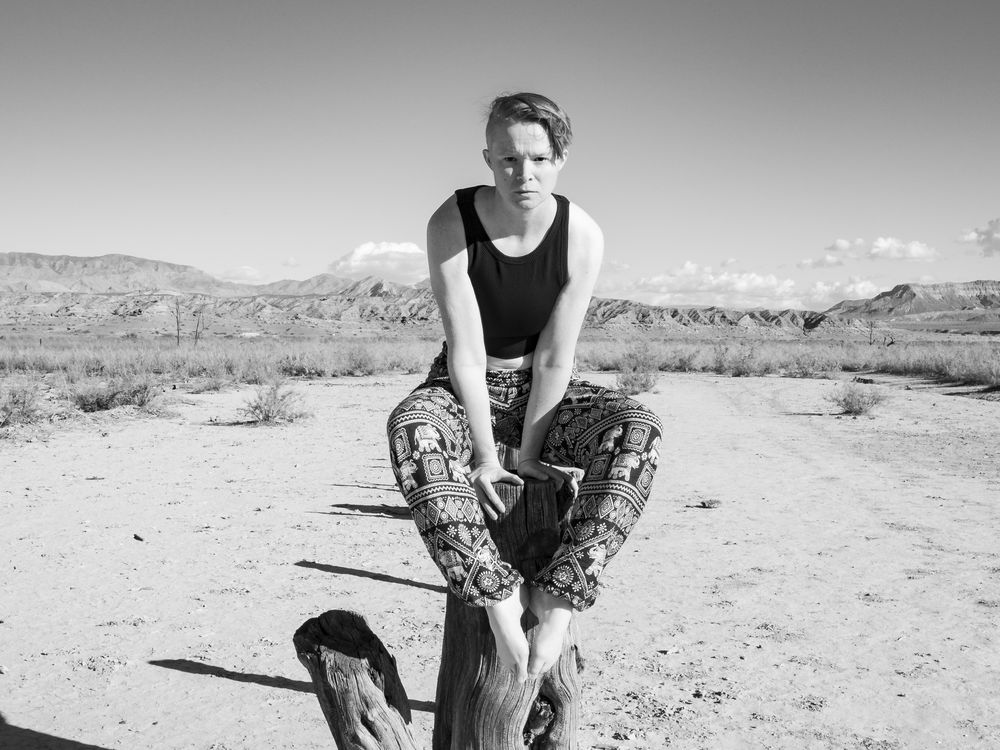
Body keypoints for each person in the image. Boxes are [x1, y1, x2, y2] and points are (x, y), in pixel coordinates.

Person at [386, 92, 662, 683]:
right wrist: (487, 458)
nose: (523, 174)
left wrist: (531, 454)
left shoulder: (581, 234)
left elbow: (556, 358)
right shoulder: (453, 222)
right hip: (463, 386)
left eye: (538, 158)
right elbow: (465, 353)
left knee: (637, 428)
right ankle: (496, 595)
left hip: (545, 393)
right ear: (488, 158)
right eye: (508, 159)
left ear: (560, 158)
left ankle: (559, 596)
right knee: (412, 429)